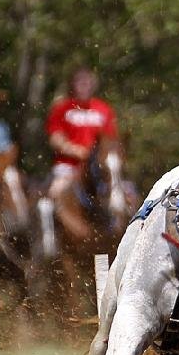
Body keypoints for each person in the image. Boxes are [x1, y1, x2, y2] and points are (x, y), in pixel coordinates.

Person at [45, 67, 119, 240]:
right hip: (68, 166)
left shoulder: (103, 109)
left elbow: (111, 139)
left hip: (99, 167)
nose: (84, 84)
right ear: (73, 84)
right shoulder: (62, 108)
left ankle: (121, 234)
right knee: (53, 195)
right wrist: (75, 150)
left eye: (88, 81)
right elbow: (55, 138)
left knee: (125, 195)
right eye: (80, 81)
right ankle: (50, 242)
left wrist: (102, 155)